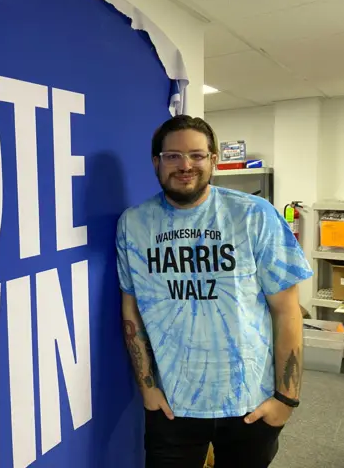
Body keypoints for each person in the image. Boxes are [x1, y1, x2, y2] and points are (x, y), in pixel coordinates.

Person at [116, 115, 312, 468]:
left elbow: (287, 310)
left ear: (213, 160)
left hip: (250, 403)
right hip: (172, 406)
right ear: (156, 162)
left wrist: (287, 398)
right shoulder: (133, 223)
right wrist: (147, 386)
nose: (185, 165)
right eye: (173, 156)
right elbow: (131, 308)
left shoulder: (255, 215)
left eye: (196, 155)